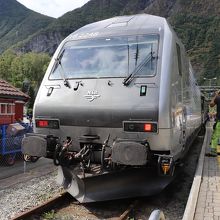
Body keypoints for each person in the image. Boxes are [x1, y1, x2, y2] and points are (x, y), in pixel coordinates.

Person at [207, 90, 220, 156]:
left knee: (215, 136)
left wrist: (216, 95)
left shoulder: (218, 98)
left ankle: (213, 152)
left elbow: (211, 104)